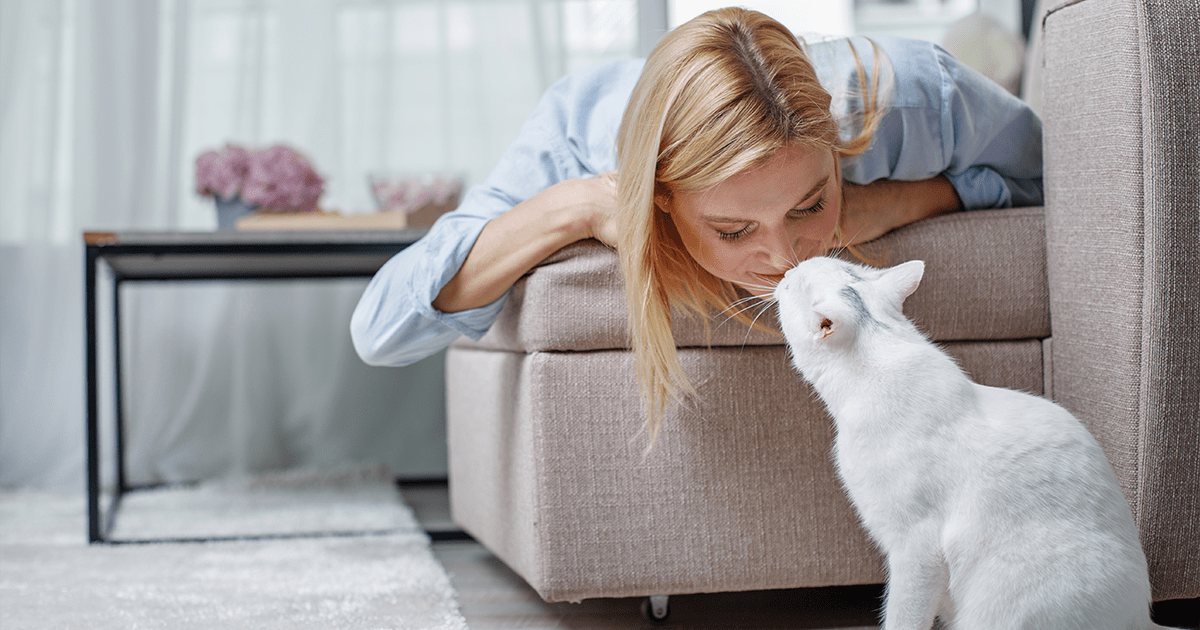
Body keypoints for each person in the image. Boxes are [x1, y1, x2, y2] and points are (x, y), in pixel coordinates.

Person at [350, 7, 1043, 441]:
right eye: (734, 230)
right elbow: (382, 330)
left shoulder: (920, 98)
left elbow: (1056, 183)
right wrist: (583, 206)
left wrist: (896, 201)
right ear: (660, 199)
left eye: (807, 206)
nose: (783, 257)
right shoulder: (578, 130)